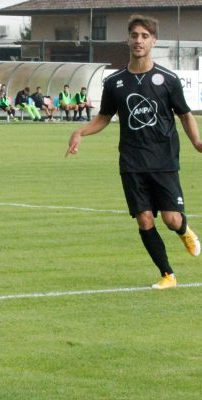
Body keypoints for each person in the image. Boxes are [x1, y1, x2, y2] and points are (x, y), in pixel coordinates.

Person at [66, 14, 202, 290]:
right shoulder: (114, 82)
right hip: (131, 160)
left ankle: (183, 230)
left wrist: (197, 143)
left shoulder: (168, 79)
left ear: (154, 41)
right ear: (127, 39)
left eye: (144, 36)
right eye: (134, 35)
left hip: (163, 159)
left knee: (171, 218)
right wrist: (80, 132)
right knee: (144, 219)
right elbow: (104, 117)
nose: (138, 41)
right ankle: (167, 274)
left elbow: (185, 115)